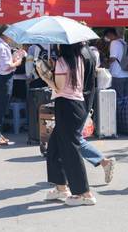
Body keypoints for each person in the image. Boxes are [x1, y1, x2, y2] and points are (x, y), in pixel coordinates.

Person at [38, 43, 96, 206]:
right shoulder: (77, 58)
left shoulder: (63, 61)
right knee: (54, 147)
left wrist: (44, 76)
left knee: (71, 150)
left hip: (67, 106)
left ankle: (84, 193)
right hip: (76, 105)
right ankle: (61, 187)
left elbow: (58, 87)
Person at [80, 41, 116, 184]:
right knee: (63, 139)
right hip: (84, 96)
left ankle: (104, 162)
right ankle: (62, 178)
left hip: (77, 99)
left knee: (73, 138)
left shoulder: (80, 54)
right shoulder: (90, 53)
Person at [0, 29, 25, 146]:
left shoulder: (2, 45)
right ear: (6, 34)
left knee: (1, 107)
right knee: (0, 108)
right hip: (2, 79)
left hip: (2, 78)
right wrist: (18, 62)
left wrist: (14, 58)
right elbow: (6, 66)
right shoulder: (0, 46)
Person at [103, 28, 128, 98]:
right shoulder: (124, 43)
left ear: (110, 34)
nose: (107, 39)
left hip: (117, 75)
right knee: (125, 99)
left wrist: (106, 61)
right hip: (126, 75)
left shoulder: (114, 43)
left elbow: (113, 58)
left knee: (117, 99)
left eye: (107, 36)